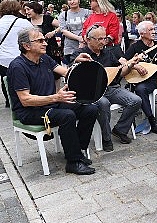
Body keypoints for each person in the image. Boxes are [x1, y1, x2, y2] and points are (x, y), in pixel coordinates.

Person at [7, 27, 98, 175]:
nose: (45, 43)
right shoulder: (18, 67)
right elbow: (25, 100)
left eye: (45, 40)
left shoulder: (44, 59)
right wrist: (56, 97)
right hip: (30, 111)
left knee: (90, 109)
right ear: (26, 46)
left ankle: (77, 151)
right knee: (67, 115)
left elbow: (67, 72)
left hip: (50, 104)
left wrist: (76, 62)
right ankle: (73, 162)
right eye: (40, 41)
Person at [72, 25, 142, 151]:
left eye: (104, 38)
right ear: (88, 39)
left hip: (111, 88)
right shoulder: (79, 54)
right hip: (91, 91)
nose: (102, 42)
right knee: (104, 104)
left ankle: (120, 129)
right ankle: (106, 137)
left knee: (136, 100)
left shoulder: (108, 53)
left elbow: (120, 73)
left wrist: (131, 64)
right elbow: (70, 71)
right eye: (98, 39)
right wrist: (77, 62)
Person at [124, 20, 157, 134]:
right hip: (142, 79)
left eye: (154, 29)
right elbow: (123, 60)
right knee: (140, 89)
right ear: (142, 34)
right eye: (150, 30)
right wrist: (136, 66)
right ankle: (152, 120)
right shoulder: (135, 47)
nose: (154, 32)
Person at [0, 0, 33, 107]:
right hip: (22, 57)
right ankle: (26, 98)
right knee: (25, 79)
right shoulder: (24, 23)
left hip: (3, 58)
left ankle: (9, 101)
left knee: (5, 79)